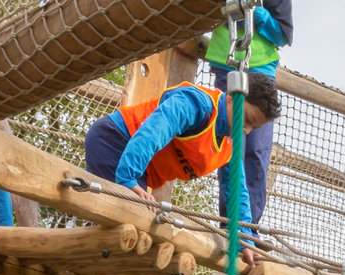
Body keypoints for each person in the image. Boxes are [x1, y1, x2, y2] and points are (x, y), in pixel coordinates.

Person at [81, 77, 282, 241]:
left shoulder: (231, 144)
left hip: (137, 169)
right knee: (131, 225)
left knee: (138, 230)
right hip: (114, 142)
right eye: (246, 119)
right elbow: (154, 132)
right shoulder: (197, 104)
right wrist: (127, 178)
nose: (245, 130)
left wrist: (244, 241)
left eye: (253, 128)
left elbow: (237, 190)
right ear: (231, 97)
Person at [202, 0, 293, 226]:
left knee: (257, 152)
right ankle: (232, 223)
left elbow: (283, 34)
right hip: (228, 64)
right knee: (231, 147)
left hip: (261, 70)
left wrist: (257, 13)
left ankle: (250, 227)